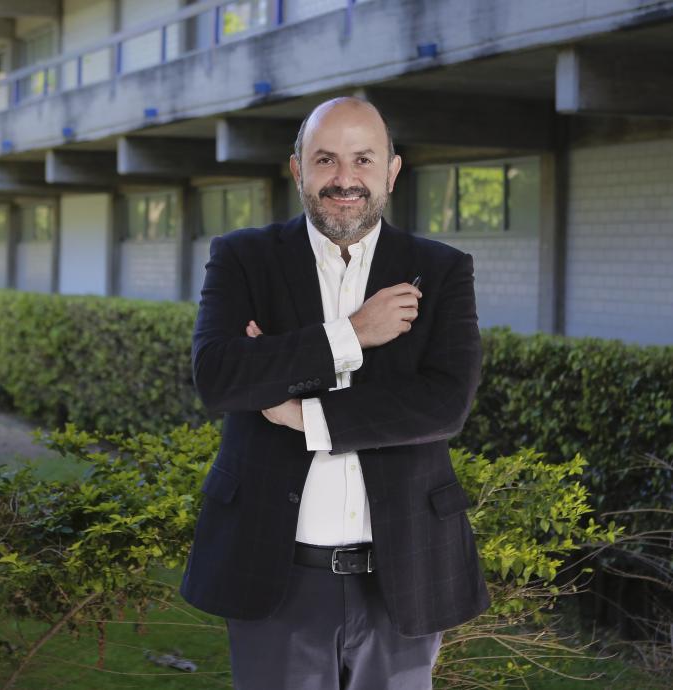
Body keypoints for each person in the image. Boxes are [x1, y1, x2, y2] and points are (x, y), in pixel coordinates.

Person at [181, 96, 490, 689]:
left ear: (391, 171)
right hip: (276, 572)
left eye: (362, 160)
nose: (344, 179)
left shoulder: (442, 269)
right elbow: (220, 378)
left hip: (404, 573)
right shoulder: (244, 258)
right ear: (298, 169)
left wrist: (300, 412)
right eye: (325, 160)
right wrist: (351, 334)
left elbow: (443, 405)